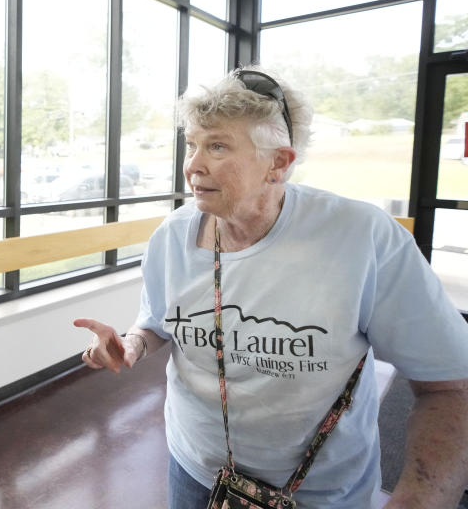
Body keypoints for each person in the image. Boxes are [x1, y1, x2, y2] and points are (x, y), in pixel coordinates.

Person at [75, 67, 468, 508]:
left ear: (278, 164)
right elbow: (156, 324)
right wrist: (131, 344)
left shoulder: (362, 238)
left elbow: (451, 388)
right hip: (195, 473)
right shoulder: (172, 236)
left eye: (218, 146)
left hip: (320, 495)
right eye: (192, 146)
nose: (193, 165)